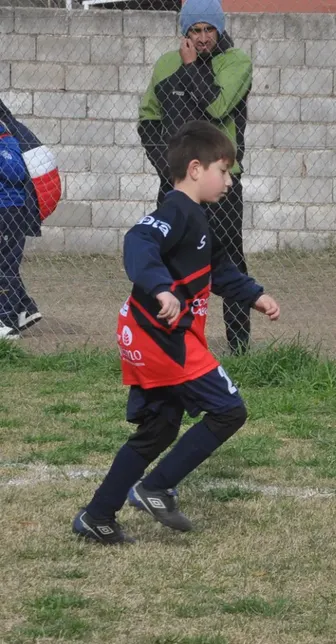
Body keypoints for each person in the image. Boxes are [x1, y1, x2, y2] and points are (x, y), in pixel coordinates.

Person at [72, 121, 280, 545]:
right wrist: (160, 287)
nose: (229, 181)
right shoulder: (176, 211)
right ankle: (156, 487)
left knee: (160, 430)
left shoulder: (197, 216)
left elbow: (218, 269)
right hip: (161, 337)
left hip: (150, 335)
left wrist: (254, 295)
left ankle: (97, 515)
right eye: (224, 170)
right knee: (229, 410)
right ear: (196, 169)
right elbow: (138, 240)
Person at [138, 0, 253, 353]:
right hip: (177, 188)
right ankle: (170, 344)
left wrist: (191, 67)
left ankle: (240, 348)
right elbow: (148, 120)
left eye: (209, 30)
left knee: (229, 261)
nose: (203, 38)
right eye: (195, 30)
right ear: (184, 31)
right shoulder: (165, 65)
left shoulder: (236, 62)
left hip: (220, 188)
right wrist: (169, 170)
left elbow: (216, 106)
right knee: (170, 262)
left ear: (220, 29)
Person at [0, 99, 60, 340]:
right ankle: (25, 308)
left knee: (5, 265)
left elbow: (14, 171)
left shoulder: (6, 138)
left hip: (9, 211)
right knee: (6, 262)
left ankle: (6, 322)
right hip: (7, 210)